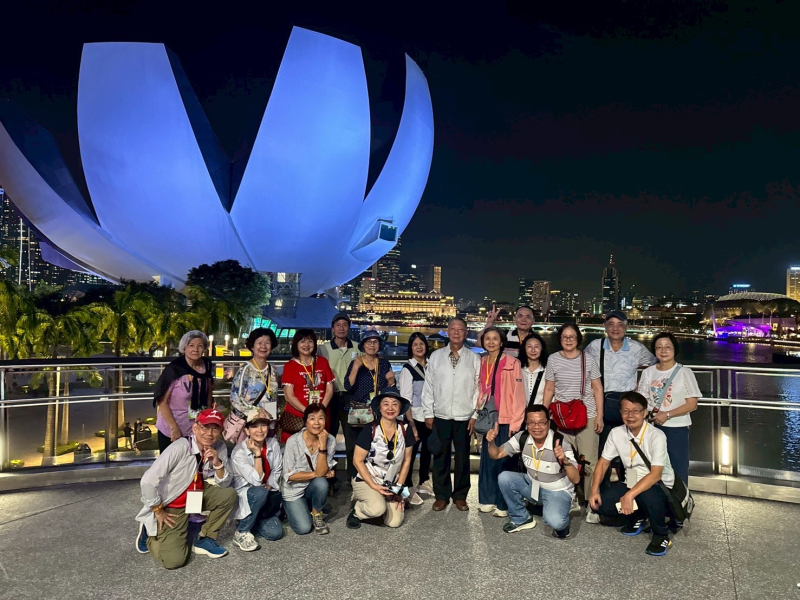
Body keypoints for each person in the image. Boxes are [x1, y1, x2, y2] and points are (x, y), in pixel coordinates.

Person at [134, 408, 236, 569]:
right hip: (172, 502)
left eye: (215, 429)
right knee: (174, 561)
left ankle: (204, 538)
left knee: (228, 495)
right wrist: (158, 509)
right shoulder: (180, 447)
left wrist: (217, 463)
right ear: (195, 427)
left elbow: (224, 484)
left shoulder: (219, 447)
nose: (209, 433)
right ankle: (150, 532)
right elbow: (147, 481)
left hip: (197, 493)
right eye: (205, 427)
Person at [589, 392, 676, 556]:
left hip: (658, 485)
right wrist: (594, 490)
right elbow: (603, 462)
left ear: (644, 413)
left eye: (635, 411)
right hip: (631, 482)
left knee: (649, 495)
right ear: (620, 413)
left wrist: (629, 496)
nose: (630, 415)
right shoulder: (616, 433)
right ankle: (639, 516)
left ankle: (661, 535)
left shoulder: (656, 436)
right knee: (601, 504)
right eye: (626, 411)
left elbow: (656, 475)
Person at [585, 311, 656, 489]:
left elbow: (654, 364)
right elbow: (583, 366)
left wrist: (639, 386)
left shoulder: (636, 348)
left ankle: (630, 491)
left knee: (630, 451)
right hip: (602, 405)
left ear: (626, 327)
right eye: (611, 324)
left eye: (620, 324)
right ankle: (601, 492)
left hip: (628, 406)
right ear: (605, 327)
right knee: (602, 452)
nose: (615, 328)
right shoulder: (595, 346)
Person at [487, 406, 580, 537]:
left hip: (557, 490)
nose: (537, 427)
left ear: (548, 423)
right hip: (533, 485)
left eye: (541, 422)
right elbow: (496, 454)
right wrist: (491, 442)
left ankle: (565, 507)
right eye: (531, 423)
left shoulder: (560, 443)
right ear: (526, 423)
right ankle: (521, 518)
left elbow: (576, 479)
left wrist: (564, 460)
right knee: (505, 478)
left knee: (556, 523)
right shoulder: (522, 437)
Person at [542, 323, 603, 521]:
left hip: (587, 414)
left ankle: (591, 502)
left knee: (589, 461)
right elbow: (549, 389)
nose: (568, 340)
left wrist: (600, 416)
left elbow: (597, 388)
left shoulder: (588, 359)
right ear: (559, 339)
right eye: (565, 337)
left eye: (572, 336)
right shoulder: (553, 359)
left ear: (578, 339)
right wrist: (543, 414)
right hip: (562, 417)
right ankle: (571, 497)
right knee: (565, 460)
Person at [421, 317, 481, 511]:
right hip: (441, 414)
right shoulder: (436, 356)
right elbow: (429, 386)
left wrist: (475, 414)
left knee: (463, 457)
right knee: (441, 456)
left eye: (460, 329)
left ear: (466, 333)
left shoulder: (474, 358)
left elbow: (479, 389)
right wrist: (428, 412)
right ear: (447, 332)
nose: (456, 332)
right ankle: (441, 495)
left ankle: (460, 496)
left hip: (465, 416)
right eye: (453, 329)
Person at [347, 389, 416, 529]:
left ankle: (378, 502)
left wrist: (399, 489)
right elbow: (357, 460)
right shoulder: (370, 429)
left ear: (400, 408)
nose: (390, 408)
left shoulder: (405, 429)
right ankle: (357, 510)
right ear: (379, 407)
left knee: (394, 522)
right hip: (367, 479)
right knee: (377, 509)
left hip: (391, 482)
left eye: (395, 404)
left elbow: (407, 461)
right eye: (386, 404)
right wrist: (373, 485)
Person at [637, 332, 700, 486]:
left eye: (668, 347)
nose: (663, 351)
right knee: (652, 467)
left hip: (677, 429)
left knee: (678, 468)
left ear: (674, 349)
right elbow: (642, 400)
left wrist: (667, 414)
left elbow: (692, 404)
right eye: (659, 347)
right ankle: (657, 498)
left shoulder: (684, 372)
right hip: (652, 427)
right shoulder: (648, 372)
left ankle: (680, 498)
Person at [477, 327, 526, 517]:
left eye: (495, 338)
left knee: (504, 460)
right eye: (487, 338)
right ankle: (487, 498)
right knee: (487, 459)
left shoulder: (513, 363)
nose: (491, 342)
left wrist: (516, 422)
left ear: (502, 342)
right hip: (487, 415)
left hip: (506, 416)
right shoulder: (481, 361)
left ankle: (503, 503)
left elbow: (519, 395)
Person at [343, 330, 395, 479]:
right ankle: (354, 478)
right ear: (363, 345)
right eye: (368, 342)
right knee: (354, 446)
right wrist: (356, 367)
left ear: (380, 345)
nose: (372, 345)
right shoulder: (357, 362)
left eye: (375, 342)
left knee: (376, 446)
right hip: (358, 412)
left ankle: (374, 476)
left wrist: (391, 381)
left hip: (377, 412)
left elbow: (390, 389)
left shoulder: (384, 363)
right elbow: (348, 386)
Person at [229, 409, 283, 550]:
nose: (260, 430)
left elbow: (277, 469)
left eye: (263, 425)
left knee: (275, 533)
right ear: (247, 430)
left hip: (267, 493)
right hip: (249, 495)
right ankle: (242, 531)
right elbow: (256, 481)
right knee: (259, 492)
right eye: (254, 426)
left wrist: (270, 485)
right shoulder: (239, 452)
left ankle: (254, 519)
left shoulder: (273, 444)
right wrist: (257, 454)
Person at [153, 331, 214, 452]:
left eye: (200, 346)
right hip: (172, 428)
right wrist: (174, 428)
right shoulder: (174, 369)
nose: (195, 349)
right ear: (184, 348)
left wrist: (207, 420)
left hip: (196, 428)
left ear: (204, 348)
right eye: (191, 345)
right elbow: (162, 402)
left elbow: (208, 392)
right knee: (172, 462)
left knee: (194, 461)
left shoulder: (206, 365)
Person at [282, 404, 337, 535]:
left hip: (311, 486)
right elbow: (290, 476)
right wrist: (318, 474)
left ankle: (316, 513)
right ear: (305, 421)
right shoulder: (293, 441)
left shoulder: (330, 440)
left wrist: (322, 446)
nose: (317, 423)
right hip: (293, 490)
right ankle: (289, 508)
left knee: (321, 483)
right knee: (304, 528)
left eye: (321, 418)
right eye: (312, 418)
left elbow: (321, 474)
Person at [281, 329, 335, 444]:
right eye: (302, 341)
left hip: (320, 417)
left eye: (310, 341)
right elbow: (289, 396)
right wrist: (307, 412)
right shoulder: (290, 366)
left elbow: (329, 389)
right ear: (296, 345)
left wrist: (320, 410)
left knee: (320, 448)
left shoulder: (323, 362)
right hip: (297, 418)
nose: (306, 345)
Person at [228, 328, 280, 443]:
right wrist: (255, 413)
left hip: (269, 423)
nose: (263, 346)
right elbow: (235, 398)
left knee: (268, 451)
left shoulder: (272, 370)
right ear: (252, 346)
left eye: (267, 343)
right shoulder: (246, 370)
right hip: (250, 424)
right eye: (259, 343)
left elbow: (274, 397)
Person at [398, 332, 432, 504]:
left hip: (430, 415)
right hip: (415, 417)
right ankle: (408, 487)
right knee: (410, 454)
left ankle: (424, 481)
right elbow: (406, 400)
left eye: (421, 343)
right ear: (410, 348)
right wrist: (411, 425)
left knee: (428, 450)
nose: (419, 347)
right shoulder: (408, 369)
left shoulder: (431, 365)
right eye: (415, 344)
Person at [318, 312, 360, 443]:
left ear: (349, 328)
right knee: (328, 436)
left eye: (345, 325)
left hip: (351, 397)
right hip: (330, 397)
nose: (341, 328)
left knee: (352, 438)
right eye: (338, 325)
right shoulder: (323, 349)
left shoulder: (358, 347)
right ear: (333, 328)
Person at [519, 333, 549, 407]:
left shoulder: (548, 370)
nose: (533, 350)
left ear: (542, 348)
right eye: (529, 346)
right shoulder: (518, 370)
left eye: (536, 346)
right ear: (524, 349)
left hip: (543, 412)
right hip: (521, 413)